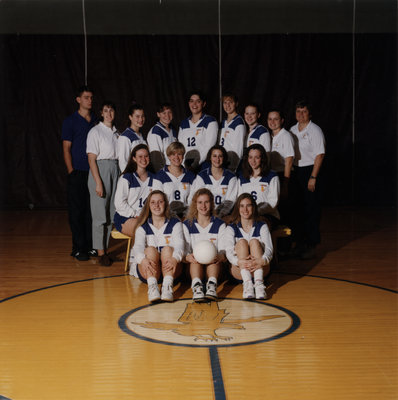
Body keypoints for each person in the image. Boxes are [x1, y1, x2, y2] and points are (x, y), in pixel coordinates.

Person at [62, 85, 97, 261]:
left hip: (93, 173)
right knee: (77, 211)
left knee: (91, 211)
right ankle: (78, 248)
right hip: (78, 173)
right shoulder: (70, 121)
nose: (89, 100)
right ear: (78, 100)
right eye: (86, 97)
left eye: (91, 97)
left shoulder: (96, 121)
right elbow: (66, 148)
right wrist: (71, 171)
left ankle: (91, 246)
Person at [130, 191, 185, 302]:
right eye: (153, 202)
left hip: (170, 271)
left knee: (168, 250)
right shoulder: (143, 226)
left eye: (160, 202)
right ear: (148, 206)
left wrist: (175, 258)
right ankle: (152, 288)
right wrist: (143, 260)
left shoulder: (175, 223)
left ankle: (167, 287)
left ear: (165, 204)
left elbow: (180, 245)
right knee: (150, 250)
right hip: (150, 270)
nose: (157, 205)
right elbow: (138, 248)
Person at [290, 100, 325, 259]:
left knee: (311, 209)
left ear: (309, 113)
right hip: (296, 171)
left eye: (304, 111)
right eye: (298, 111)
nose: (300, 114)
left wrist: (313, 176)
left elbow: (320, 154)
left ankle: (312, 244)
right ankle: (300, 243)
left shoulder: (315, 130)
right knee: (298, 209)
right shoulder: (292, 130)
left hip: (310, 170)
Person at [86, 100, 119, 266]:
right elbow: (91, 159)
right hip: (101, 169)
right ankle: (100, 252)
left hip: (115, 169)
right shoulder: (95, 131)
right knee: (99, 214)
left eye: (111, 110)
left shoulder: (116, 133)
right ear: (101, 113)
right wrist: (98, 182)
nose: (109, 113)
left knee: (110, 213)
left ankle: (105, 249)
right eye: (105, 110)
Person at [224, 193, 273, 300]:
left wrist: (261, 261)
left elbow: (269, 249)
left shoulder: (262, 225)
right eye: (242, 206)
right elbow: (228, 252)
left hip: (260, 267)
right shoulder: (231, 228)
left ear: (254, 207)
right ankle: (248, 285)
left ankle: (259, 285)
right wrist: (239, 262)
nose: (245, 209)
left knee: (254, 242)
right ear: (237, 208)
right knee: (242, 242)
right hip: (240, 269)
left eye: (248, 205)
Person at [183, 188, 227, 302]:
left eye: (206, 202)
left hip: (214, 266)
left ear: (212, 203)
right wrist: (188, 257)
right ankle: (197, 287)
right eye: (200, 202)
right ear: (195, 204)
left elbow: (223, 249)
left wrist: (220, 256)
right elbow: (185, 250)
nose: (203, 206)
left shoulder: (220, 224)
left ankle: (212, 286)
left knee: (213, 259)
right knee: (195, 261)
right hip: (193, 266)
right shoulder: (187, 224)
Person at [114, 144, 155, 237]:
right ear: (134, 158)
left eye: (146, 156)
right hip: (126, 217)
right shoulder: (126, 178)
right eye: (140, 156)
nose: (144, 159)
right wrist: (136, 214)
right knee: (143, 231)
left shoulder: (154, 178)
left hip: (147, 217)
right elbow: (119, 204)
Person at [188, 145, 238, 219]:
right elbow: (195, 198)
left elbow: (230, 201)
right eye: (214, 156)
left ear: (224, 158)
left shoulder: (231, 177)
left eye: (220, 156)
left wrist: (219, 217)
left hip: (223, 217)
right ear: (210, 157)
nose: (217, 159)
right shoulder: (202, 176)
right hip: (204, 214)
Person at [238, 144, 280, 228]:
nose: (253, 161)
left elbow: (272, 203)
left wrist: (255, 211)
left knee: (256, 225)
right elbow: (239, 200)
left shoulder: (272, 176)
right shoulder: (242, 177)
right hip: (246, 214)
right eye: (250, 157)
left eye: (257, 157)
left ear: (262, 159)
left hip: (267, 215)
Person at [178, 91, 218, 172]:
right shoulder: (183, 123)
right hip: (186, 165)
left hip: (203, 165)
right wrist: (184, 164)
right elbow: (180, 147)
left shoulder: (210, 121)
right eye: (192, 101)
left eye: (198, 101)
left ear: (203, 104)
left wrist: (196, 163)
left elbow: (209, 147)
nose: (194, 104)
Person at [153, 142, 195, 218]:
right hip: (166, 216)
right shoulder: (160, 176)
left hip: (186, 216)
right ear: (168, 156)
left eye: (179, 154)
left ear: (183, 156)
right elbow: (157, 201)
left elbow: (193, 201)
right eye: (173, 154)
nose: (176, 157)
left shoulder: (190, 176)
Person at [267, 110, 295, 223]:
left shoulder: (286, 136)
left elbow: (289, 160)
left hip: (283, 174)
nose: (272, 122)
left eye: (276, 119)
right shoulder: (269, 136)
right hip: (272, 174)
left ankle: (288, 240)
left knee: (285, 210)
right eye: (270, 119)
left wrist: (285, 184)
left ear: (282, 120)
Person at [218, 94, 246, 172]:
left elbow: (238, 148)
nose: (227, 105)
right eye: (225, 103)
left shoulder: (238, 122)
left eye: (230, 102)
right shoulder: (223, 122)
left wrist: (234, 167)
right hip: (221, 160)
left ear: (236, 104)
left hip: (231, 163)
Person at [146, 103, 177, 172]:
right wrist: (162, 175)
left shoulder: (173, 130)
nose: (167, 116)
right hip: (165, 171)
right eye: (164, 113)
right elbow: (156, 159)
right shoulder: (155, 131)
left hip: (175, 169)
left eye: (169, 112)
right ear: (158, 114)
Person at [117, 103, 147, 172]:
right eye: (137, 116)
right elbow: (123, 162)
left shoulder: (141, 136)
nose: (141, 119)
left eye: (142, 116)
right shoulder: (125, 137)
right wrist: (129, 179)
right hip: (133, 176)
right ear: (130, 117)